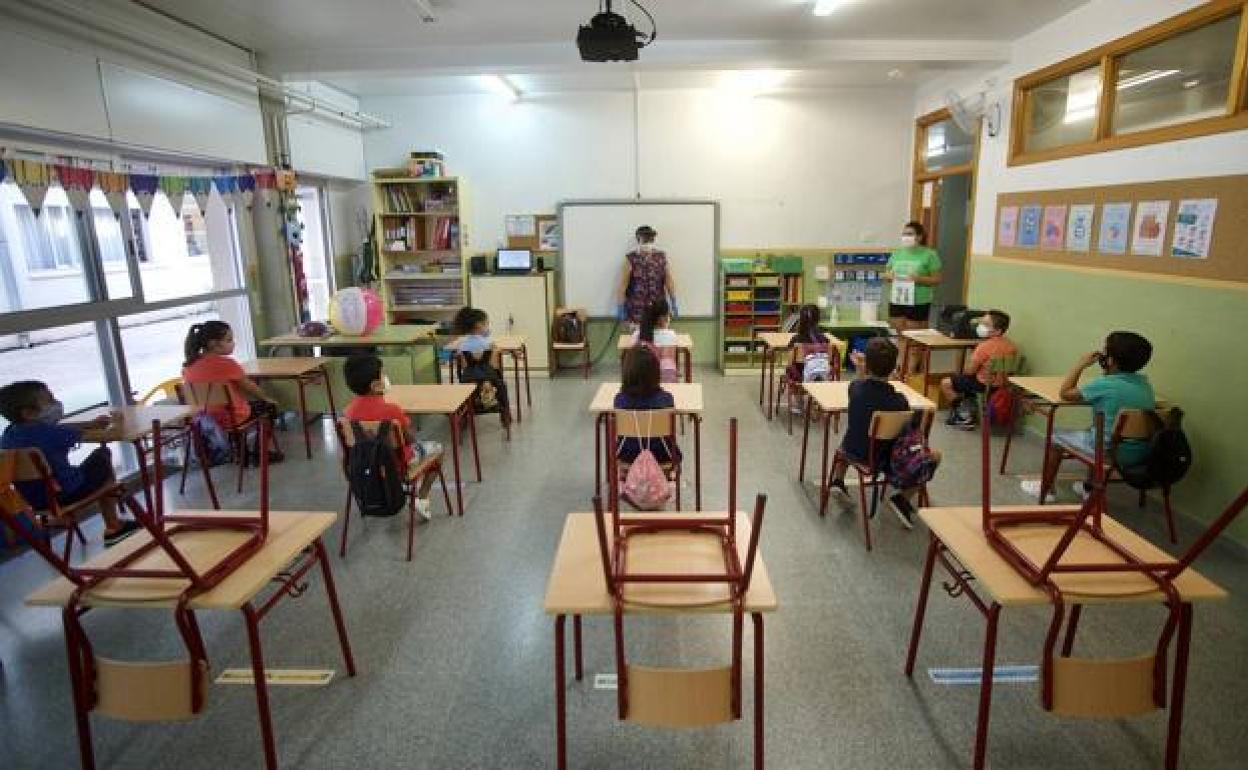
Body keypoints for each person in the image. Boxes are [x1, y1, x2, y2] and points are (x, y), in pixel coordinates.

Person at [0, 381, 140, 546]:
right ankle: (114, 527)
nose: (56, 403)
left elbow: (60, 429)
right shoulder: (50, 434)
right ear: (28, 413)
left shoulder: (9, 435)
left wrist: (90, 424)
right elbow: (112, 435)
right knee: (103, 456)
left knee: (95, 467)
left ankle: (111, 522)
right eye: (50, 400)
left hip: (35, 500)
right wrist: (118, 420)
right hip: (68, 492)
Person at [1021, 331, 1155, 503]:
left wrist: (1080, 364)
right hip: (1137, 453)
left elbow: (1065, 393)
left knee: (1055, 438)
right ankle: (1089, 488)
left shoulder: (1105, 384)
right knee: (1095, 432)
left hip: (1108, 453)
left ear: (1110, 360)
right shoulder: (1145, 385)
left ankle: (1046, 490)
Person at [827, 338, 942, 529]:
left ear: (868, 365)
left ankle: (838, 480)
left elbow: (861, 384)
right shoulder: (899, 401)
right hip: (885, 460)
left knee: (851, 436)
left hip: (853, 451)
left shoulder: (855, 389)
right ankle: (902, 499)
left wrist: (861, 369)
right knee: (935, 456)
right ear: (894, 368)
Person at [343, 354, 442, 521]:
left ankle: (400, 487)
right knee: (437, 449)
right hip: (398, 466)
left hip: (365, 465)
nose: (385, 377)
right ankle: (422, 497)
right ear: (375, 385)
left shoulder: (348, 412)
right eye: (383, 374)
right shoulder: (392, 411)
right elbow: (410, 440)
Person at [183, 320, 283, 461]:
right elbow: (250, 387)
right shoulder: (228, 364)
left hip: (204, 420)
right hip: (231, 418)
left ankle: (239, 451)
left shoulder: (188, 367)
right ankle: (260, 454)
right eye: (229, 340)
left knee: (234, 406)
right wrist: (265, 398)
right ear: (213, 344)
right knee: (268, 407)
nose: (233, 343)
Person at [940, 309, 1018, 428]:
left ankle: (963, 415)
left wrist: (970, 360)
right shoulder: (1011, 347)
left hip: (984, 384)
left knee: (946, 383)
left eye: (986, 325)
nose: (981, 327)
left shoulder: (984, 347)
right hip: (1003, 385)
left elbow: (969, 371)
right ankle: (970, 405)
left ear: (997, 331)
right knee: (965, 381)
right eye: (981, 323)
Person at [885, 221, 943, 373]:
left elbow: (936, 279)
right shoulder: (897, 253)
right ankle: (900, 367)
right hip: (898, 299)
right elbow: (886, 274)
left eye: (909, 234)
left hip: (918, 301)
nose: (906, 237)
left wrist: (919, 279)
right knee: (901, 335)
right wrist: (889, 276)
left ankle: (911, 371)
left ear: (920, 236)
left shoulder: (929, 254)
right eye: (904, 234)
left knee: (915, 337)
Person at [613, 346, 681, 466]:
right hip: (661, 455)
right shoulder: (666, 399)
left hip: (627, 455)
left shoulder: (619, 400)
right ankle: (663, 480)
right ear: (656, 373)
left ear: (627, 372)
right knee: (674, 449)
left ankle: (626, 480)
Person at [452, 306, 510, 424]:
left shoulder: (462, 345)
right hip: (490, 378)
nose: (488, 328)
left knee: (471, 381)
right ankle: (505, 413)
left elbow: (464, 366)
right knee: (501, 383)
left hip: (469, 379)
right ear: (479, 326)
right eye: (487, 324)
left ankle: (466, 411)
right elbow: (494, 365)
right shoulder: (489, 344)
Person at [617, 225, 677, 327]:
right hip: (637, 311)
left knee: (660, 340)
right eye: (644, 239)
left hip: (659, 310)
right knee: (639, 341)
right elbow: (622, 287)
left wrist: (673, 301)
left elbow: (669, 281)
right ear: (638, 240)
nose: (647, 242)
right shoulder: (630, 259)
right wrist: (620, 308)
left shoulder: (661, 257)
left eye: (650, 239)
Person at [784, 304, 833, 413]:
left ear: (800, 320)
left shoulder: (796, 339)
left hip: (801, 378)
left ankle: (799, 404)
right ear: (818, 319)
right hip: (822, 375)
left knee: (791, 369)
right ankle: (817, 402)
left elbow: (790, 361)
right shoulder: (825, 339)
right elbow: (830, 360)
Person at [632, 298, 679, 383]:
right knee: (668, 364)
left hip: (640, 382)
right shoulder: (670, 335)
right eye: (668, 315)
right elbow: (668, 366)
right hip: (665, 382)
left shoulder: (637, 335)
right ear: (664, 318)